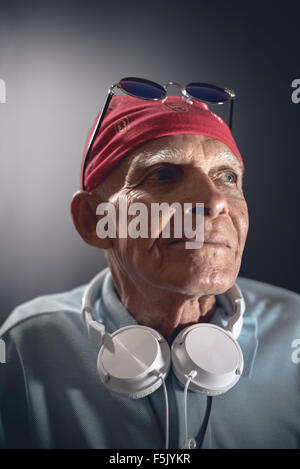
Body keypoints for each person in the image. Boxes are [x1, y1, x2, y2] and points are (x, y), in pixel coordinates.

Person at [0, 81, 299, 450]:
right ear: (95, 220)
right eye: (163, 174)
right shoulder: (28, 344)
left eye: (227, 177)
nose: (214, 200)